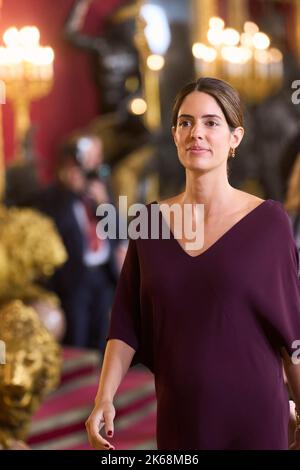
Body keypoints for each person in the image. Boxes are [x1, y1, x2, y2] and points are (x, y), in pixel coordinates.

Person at [85, 77, 300, 450]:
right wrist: (104, 397)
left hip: (256, 414)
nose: (196, 133)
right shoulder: (149, 223)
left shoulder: (269, 222)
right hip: (180, 414)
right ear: (174, 135)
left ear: (235, 137)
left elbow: (292, 329)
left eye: (211, 122)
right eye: (186, 122)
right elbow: (125, 324)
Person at [34, 138, 120, 352]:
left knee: (102, 333)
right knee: (78, 334)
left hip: (102, 275)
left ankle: (101, 378)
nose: (94, 164)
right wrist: (70, 191)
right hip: (74, 278)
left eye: (97, 158)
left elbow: (118, 234)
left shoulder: (101, 191)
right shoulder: (55, 197)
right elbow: (55, 229)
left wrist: (104, 205)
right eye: (89, 158)